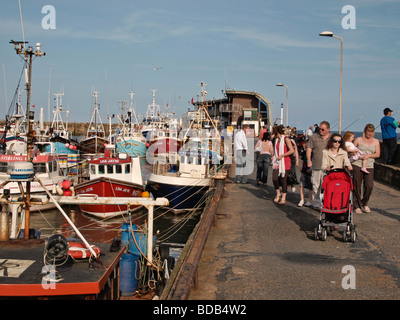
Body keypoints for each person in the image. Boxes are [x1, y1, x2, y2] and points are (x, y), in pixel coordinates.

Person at [352, 124, 380, 213]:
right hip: (357, 164)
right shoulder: (358, 140)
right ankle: (357, 205)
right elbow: (350, 150)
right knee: (357, 185)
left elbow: (377, 154)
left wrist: (369, 155)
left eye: (371, 132)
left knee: (369, 186)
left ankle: (364, 202)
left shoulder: (376, 141)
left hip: (369, 165)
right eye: (368, 131)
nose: (370, 134)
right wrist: (358, 155)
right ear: (365, 131)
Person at [306, 121, 331, 209]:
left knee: (327, 185)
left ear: (328, 129)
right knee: (316, 185)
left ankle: (325, 202)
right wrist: (309, 160)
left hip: (328, 167)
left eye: (323, 129)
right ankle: (316, 202)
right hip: (316, 165)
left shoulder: (332, 138)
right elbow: (309, 149)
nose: (320, 130)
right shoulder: (314, 137)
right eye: (320, 128)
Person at [272, 125, 294, 205]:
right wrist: (273, 157)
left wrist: (282, 155)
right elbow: (275, 150)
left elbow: (292, 150)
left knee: (283, 180)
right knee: (274, 178)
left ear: (277, 132)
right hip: (277, 161)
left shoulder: (286, 139)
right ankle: (278, 193)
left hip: (285, 162)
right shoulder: (276, 140)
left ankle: (284, 197)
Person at [297, 140, 313, 207]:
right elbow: (304, 161)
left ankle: (310, 200)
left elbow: (314, 161)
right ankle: (302, 199)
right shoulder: (304, 152)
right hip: (304, 170)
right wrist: (301, 167)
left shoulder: (313, 153)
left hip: (310, 171)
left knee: (310, 186)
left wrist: (311, 168)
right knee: (301, 185)